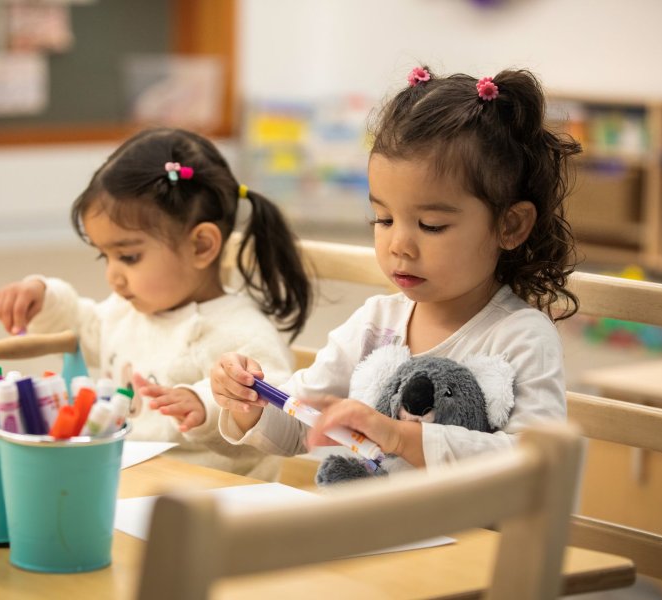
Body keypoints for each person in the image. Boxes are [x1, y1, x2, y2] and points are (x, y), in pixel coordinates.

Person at [211, 66, 581, 470]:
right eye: (383, 219)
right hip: (372, 526)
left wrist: (401, 437)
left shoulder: (521, 338)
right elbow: (301, 424)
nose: (399, 245)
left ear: (510, 226)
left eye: (431, 226)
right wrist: (252, 400)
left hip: (468, 532)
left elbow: (535, 461)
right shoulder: (375, 324)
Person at [0, 127, 312, 480]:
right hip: (128, 481)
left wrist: (205, 406)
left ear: (201, 246)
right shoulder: (128, 309)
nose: (113, 275)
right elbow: (85, 327)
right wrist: (43, 297)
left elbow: (279, 420)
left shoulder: (243, 333)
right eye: (105, 257)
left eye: (128, 257)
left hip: (210, 501)